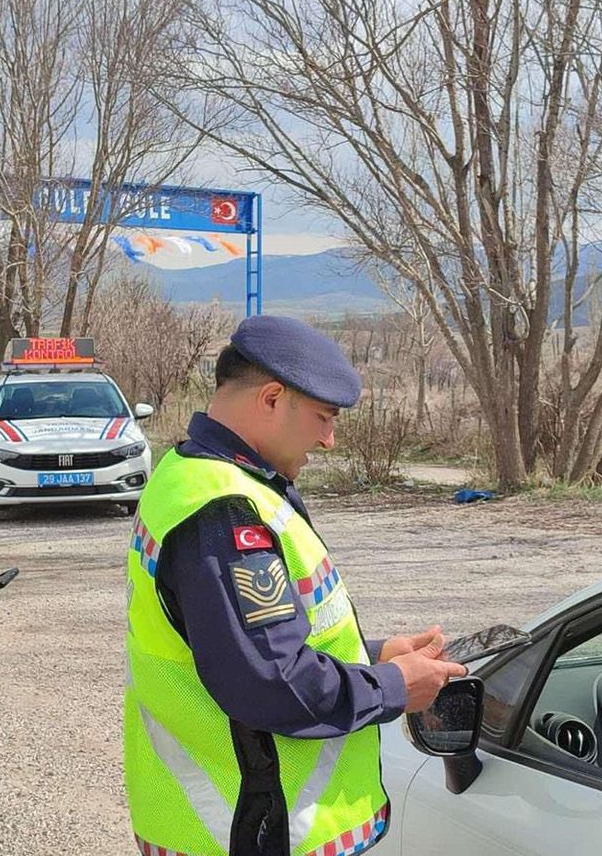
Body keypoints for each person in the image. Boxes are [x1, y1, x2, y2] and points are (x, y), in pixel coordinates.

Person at [124, 315, 466, 856]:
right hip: (250, 828)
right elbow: (271, 682)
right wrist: (394, 686)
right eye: (323, 417)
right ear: (272, 398)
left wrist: (372, 655)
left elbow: (237, 641)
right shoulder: (225, 513)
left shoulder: (191, 472)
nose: (329, 439)